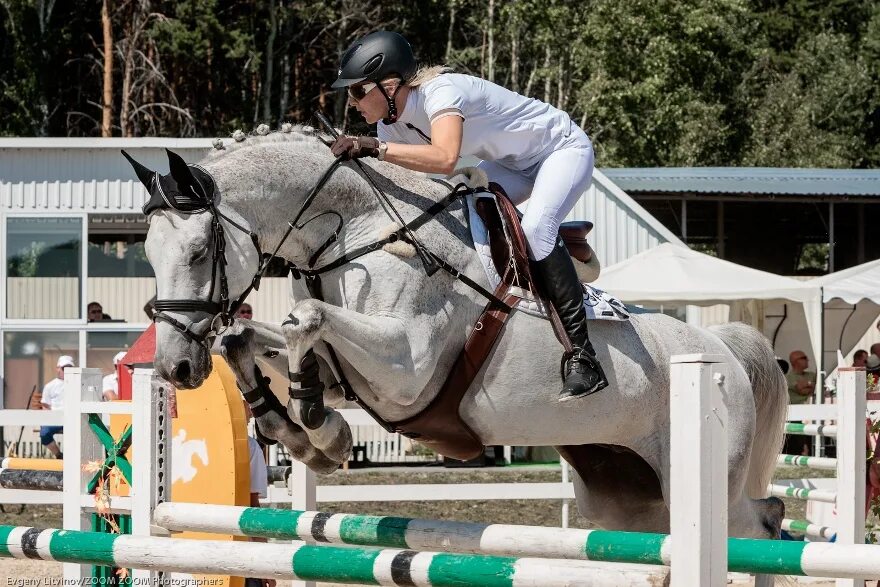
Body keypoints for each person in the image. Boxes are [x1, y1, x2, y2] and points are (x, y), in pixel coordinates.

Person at [329, 31, 607, 401]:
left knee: (537, 227)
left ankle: (583, 358)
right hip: (512, 165)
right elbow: (418, 188)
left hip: (561, 150)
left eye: (358, 91)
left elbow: (445, 158)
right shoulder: (388, 127)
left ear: (390, 85)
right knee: (460, 206)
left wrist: (373, 148)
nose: (352, 102)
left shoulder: (441, 93)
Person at [242, 401, 275, 587]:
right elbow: (252, 507)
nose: (252, 413)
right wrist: (265, 565)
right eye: (247, 405)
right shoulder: (251, 447)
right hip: (241, 554)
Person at [40, 355, 74, 459]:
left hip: (73, 418)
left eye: (70, 368)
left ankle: (74, 458)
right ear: (58, 369)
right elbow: (45, 405)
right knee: (44, 433)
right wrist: (48, 419)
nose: (67, 371)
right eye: (64, 368)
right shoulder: (50, 386)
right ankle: (59, 455)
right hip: (55, 419)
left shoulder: (78, 384)